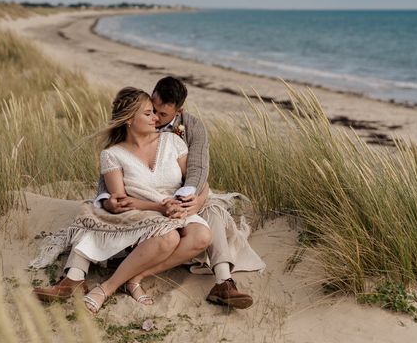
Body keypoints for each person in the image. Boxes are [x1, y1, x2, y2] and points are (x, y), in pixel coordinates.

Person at [32, 77, 264, 309]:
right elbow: (112, 190)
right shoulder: (114, 152)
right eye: (150, 110)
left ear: (178, 110)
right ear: (132, 118)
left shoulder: (185, 133)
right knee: (94, 212)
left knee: (209, 217)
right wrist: (107, 202)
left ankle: (222, 281)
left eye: (160, 114)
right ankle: (74, 278)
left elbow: (198, 171)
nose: (155, 117)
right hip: (143, 207)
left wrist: (196, 201)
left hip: (181, 198)